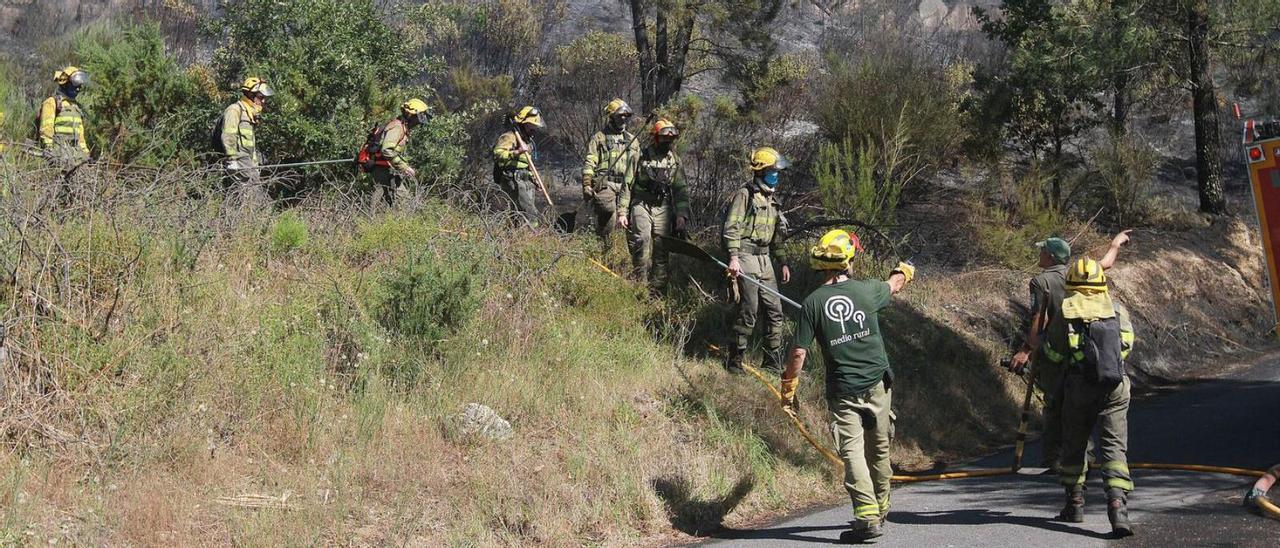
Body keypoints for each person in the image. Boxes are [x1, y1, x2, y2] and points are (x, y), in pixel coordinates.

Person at [779, 230, 915, 543]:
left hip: (843, 391)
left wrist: (788, 388)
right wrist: (905, 270)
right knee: (879, 448)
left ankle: (866, 517)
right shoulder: (867, 290)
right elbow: (894, 284)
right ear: (848, 261)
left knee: (852, 452)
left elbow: (798, 353)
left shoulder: (812, 303)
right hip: (878, 385)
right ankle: (881, 506)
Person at [1054, 242, 1136, 538]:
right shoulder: (1117, 310)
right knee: (1114, 448)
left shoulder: (1066, 313)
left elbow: (1054, 353)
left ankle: (1074, 503)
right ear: (1102, 283)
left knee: (1075, 444)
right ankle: (1117, 508)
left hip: (1079, 387)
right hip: (1115, 386)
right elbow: (1126, 345)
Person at [723, 147, 792, 372]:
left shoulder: (772, 198)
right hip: (745, 256)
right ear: (761, 171)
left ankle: (771, 361)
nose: (776, 175)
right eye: (772, 171)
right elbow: (732, 227)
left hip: (765, 259)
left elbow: (776, 236)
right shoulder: (745, 194)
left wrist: (783, 262)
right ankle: (735, 360)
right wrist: (733, 257)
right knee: (749, 310)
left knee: (775, 310)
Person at [1007, 237, 1071, 469]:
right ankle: (1082, 456)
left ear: (1051, 257)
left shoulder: (1040, 282)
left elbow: (1039, 318)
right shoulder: (1077, 276)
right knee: (1074, 405)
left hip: (1054, 353)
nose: (1040, 254)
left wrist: (1026, 350)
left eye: (1042, 251)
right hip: (1080, 351)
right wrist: (1115, 245)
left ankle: (1053, 459)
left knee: (1054, 406)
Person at [616, 119, 689, 294]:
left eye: (670, 139)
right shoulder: (640, 156)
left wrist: (681, 215)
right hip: (641, 204)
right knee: (642, 239)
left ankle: (657, 289)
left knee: (661, 247)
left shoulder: (675, 161)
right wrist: (622, 212)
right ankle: (640, 284)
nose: (667, 142)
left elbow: (680, 189)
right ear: (655, 138)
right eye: (664, 138)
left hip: (663, 207)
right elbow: (627, 185)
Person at [581, 99, 638, 247]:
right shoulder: (599, 137)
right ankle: (602, 247)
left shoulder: (632, 141)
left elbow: (637, 166)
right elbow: (590, 161)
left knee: (634, 219)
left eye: (626, 116)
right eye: (620, 116)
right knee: (608, 212)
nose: (623, 119)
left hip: (627, 185)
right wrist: (587, 184)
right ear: (611, 117)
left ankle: (630, 254)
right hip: (606, 184)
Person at [365, 98, 431, 211]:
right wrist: (404, 167)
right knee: (390, 202)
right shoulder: (397, 127)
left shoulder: (402, 127)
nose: (419, 122)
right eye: (419, 117)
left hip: (386, 168)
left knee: (398, 201)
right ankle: (372, 219)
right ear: (410, 115)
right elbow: (387, 150)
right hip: (381, 169)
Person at [220, 77, 274, 204]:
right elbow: (228, 136)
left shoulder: (250, 114)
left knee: (254, 200)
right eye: (261, 97)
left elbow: (250, 146)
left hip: (249, 166)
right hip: (239, 165)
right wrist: (231, 160)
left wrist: (255, 166)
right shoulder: (234, 110)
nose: (263, 101)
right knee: (247, 200)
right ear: (250, 95)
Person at [39, 66, 91, 192]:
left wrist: (86, 154)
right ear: (65, 83)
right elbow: (46, 128)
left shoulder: (76, 107)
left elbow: (80, 135)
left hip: (76, 157)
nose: (78, 88)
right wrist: (49, 150)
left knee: (78, 191)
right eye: (75, 84)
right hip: (59, 153)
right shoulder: (52, 102)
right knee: (57, 190)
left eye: (80, 85)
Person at [493, 106, 544, 226]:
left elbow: (526, 164)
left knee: (517, 214)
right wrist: (517, 151)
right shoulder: (510, 137)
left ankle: (514, 234)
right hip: (513, 178)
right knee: (530, 213)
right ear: (523, 124)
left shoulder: (526, 142)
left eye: (535, 127)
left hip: (526, 179)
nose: (534, 129)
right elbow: (498, 154)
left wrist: (534, 179)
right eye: (531, 126)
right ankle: (534, 235)